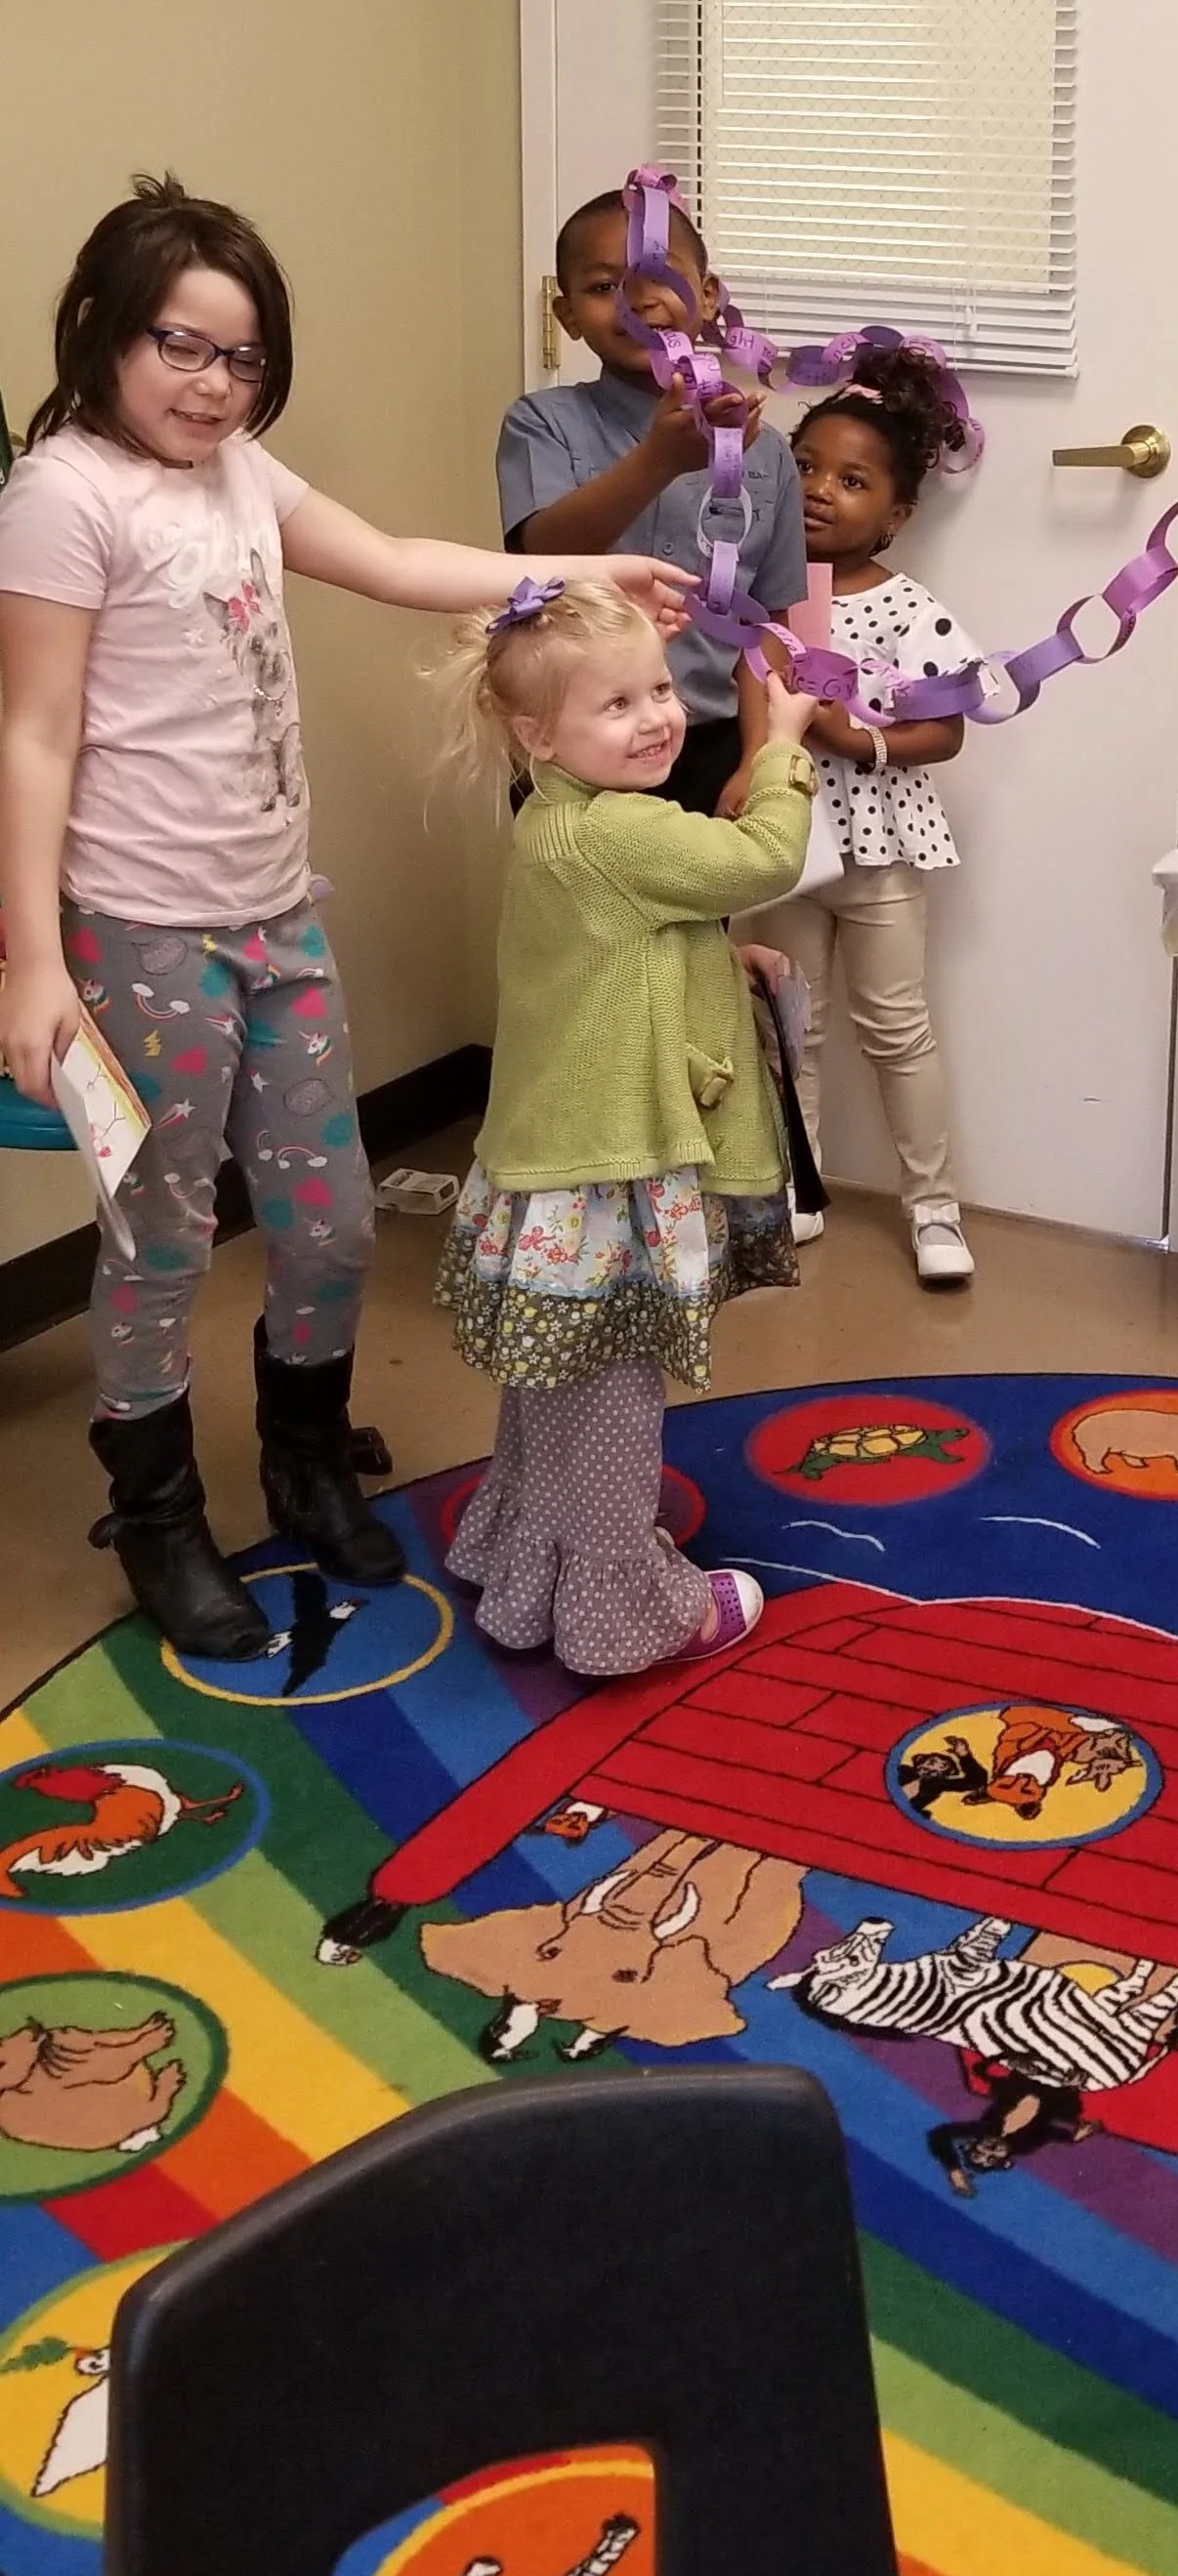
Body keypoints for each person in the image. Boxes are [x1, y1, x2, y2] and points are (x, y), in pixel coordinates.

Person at [0, 178, 691, 1666]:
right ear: (103, 331)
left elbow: (393, 564)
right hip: (143, 931)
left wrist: (582, 570)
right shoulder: (65, 495)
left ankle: (307, 1457)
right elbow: (35, 736)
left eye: (240, 358)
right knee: (162, 1235)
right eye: (181, 347)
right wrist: (39, 961)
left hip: (272, 914)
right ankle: (162, 1512)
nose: (211, 383)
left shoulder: (238, 470)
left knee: (331, 1221)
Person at [433, 578, 819, 1674]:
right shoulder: (623, 832)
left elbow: (606, 960)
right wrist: (783, 744)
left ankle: (522, 1554)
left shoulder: (557, 826)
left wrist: (712, 955)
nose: (656, 717)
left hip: (553, 1170)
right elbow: (760, 860)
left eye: (659, 688)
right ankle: (625, 1609)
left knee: (550, 1380)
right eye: (617, 704)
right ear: (535, 733)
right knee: (612, 1387)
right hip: (609, 1174)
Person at [749, 343, 978, 1287]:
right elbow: (749, 694)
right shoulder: (763, 595)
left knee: (896, 1027)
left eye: (851, 479)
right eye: (805, 468)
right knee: (784, 1020)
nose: (820, 492)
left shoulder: (907, 610)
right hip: (783, 840)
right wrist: (750, 777)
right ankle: (793, 1191)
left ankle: (933, 1207)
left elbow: (949, 733)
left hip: (879, 846)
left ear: (897, 512)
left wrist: (860, 741)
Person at [497, 190, 807, 816]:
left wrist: (756, 757)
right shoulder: (541, 423)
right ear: (567, 315)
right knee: (572, 909)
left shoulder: (766, 454)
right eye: (605, 285)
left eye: (661, 278)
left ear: (709, 293)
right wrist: (659, 461)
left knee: (695, 913)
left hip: (707, 743)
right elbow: (539, 552)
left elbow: (766, 626)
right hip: (571, 744)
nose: (638, 302)